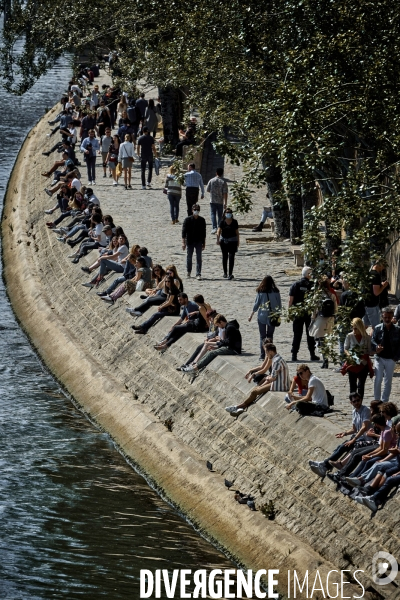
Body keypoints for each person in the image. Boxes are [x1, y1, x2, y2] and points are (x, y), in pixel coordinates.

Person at [308, 392, 372, 477]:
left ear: (361, 400)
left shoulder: (366, 410)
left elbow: (364, 427)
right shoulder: (354, 412)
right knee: (341, 446)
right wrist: (344, 433)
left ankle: (324, 465)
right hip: (358, 437)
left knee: (345, 447)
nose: (357, 403)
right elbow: (354, 429)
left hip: (365, 438)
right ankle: (324, 464)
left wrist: (353, 439)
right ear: (351, 403)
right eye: (354, 401)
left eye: (358, 400)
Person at [225, 343, 289, 416]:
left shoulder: (276, 361)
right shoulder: (278, 358)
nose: (266, 354)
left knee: (254, 392)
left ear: (270, 351)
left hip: (279, 385)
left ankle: (238, 406)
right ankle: (242, 406)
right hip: (279, 382)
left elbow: (273, 377)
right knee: (258, 387)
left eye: (266, 352)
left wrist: (268, 378)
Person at [288, 267, 319, 362]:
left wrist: (290, 312)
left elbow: (290, 300)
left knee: (297, 334)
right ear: (308, 274)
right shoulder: (312, 285)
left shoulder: (295, 285)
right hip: (308, 313)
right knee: (310, 334)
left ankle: (294, 354)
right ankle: (312, 354)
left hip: (298, 312)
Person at [371, 306, 400, 402]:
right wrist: (376, 348)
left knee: (388, 381)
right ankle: (376, 401)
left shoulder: (397, 330)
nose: (387, 319)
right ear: (382, 317)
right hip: (380, 357)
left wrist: (396, 357)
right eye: (385, 317)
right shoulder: (378, 328)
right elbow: (373, 340)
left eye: (389, 317)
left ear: (392, 317)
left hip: (391, 358)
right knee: (378, 379)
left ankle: (385, 401)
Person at [248, 275, 281, 358]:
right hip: (273, 316)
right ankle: (270, 354)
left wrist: (251, 314)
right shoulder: (276, 291)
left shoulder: (261, 292)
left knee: (262, 336)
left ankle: (262, 355)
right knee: (270, 336)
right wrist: (278, 315)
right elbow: (279, 305)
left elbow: (256, 304)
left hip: (262, 316)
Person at [308, 278, 337, 368]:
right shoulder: (332, 295)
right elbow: (336, 309)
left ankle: (325, 360)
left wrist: (312, 319)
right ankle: (326, 358)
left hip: (320, 319)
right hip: (330, 320)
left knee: (321, 341)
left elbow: (314, 311)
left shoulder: (317, 296)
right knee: (327, 340)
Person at [341, 318, 373, 398]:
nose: (353, 330)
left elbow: (369, 351)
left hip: (363, 363)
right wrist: (352, 357)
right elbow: (346, 349)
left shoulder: (367, 337)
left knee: (361, 386)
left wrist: (376, 351)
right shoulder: (349, 336)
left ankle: (360, 403)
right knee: (353, 386)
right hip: (352, 363)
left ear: (360, 328)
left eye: (355, 328)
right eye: (352, 327)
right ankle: (354, 403)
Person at [182, 204, 206, 281]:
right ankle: (189, 271)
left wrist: (204, 243)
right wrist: (183, 242)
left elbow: (203, 232)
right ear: (192, 210)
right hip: (190, 241)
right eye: (195, 209)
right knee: (189, 257)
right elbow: (184, 232)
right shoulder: (187, 220)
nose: (196, 211)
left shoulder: (202, 220)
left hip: (199, 241)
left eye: (197, 209)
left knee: (199, 258)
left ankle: (198, 273)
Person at [364, 258, 390, 329]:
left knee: (364, 325)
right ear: (379, 265)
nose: (383, 269)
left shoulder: (369, 273)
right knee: (376, 327)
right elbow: (376, 292)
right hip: (372, 304)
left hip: (366, 303)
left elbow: (372, 288)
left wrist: (380, 285)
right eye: (383, 266)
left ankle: (363, 339)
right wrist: (384, 286)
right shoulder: (376, 275)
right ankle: (375, 339)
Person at [216, 207, 239, 280]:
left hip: (233, 241)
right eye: (227, 213)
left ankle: (230, 273)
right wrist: (218, 239)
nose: (228, 214)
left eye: (229, 213)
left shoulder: (235, 222)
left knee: (231, 257)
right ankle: (225, 272)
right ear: (225, 214)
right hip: (224, 242)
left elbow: (237, 232)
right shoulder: (222, 222)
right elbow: (219, 231)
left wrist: (238, 241)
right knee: (225, 256)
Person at [207, 168, 228, 234]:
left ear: (216, 173)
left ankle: (214, 227)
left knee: (213, 214)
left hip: (212, 201)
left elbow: (208, 189)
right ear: (222, 173)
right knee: (220, 215)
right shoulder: (223, 182)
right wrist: (225, 203)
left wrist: (213, 192)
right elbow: (225, 193)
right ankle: (219, 227)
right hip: (220, 201)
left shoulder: (211, 180)